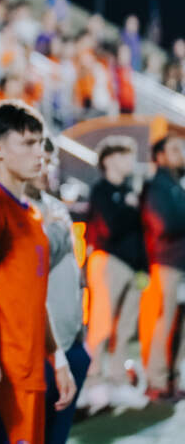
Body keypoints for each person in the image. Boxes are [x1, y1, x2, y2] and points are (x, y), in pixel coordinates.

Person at [0, 102, 76, 443]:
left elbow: (35, 295)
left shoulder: (32, 215)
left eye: (40, 143)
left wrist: (57, 356)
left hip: (29, 372)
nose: (39, 153)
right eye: (27, 143)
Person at [28, 139, 92, 443]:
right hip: (42, 346)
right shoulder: (18, 208)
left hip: (72, 339)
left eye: (51, 161)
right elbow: (36, 261)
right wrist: (52, 232)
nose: (46, 168)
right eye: (41, 159)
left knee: (58, 434)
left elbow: (70, 265)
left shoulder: (53, 205)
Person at [84, 135, 148, 409]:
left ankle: (118, 382)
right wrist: (131, 208)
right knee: (100, 327)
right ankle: (91, 383)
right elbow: (111, 227)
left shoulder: (129, 190)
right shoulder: (101, 190)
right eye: (124, 155)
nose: (130, 162)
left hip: (132, 268)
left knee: (124, 330)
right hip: (109, 262)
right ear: (109, 159)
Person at [139, 135, 185, 399]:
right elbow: (164, 223)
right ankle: (156, 381)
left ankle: (174, 378)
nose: (181, 154)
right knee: (164, 323)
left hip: (181, 263)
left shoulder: (176, 185)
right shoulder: (156, 186)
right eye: (175, 149)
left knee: (181, 326)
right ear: (159, 156)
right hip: (167, 264)